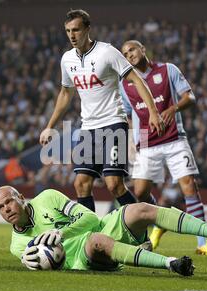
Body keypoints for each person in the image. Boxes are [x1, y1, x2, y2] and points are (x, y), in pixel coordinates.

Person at [39, 9, 165, 214]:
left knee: (114, 184)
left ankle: (142, 228)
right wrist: (49, 126)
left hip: (114, 124)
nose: (72, 35)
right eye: (68, 30)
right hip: (88, 128)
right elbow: (65, 93)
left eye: (76, 30)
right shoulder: (67, 60)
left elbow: (136, 79)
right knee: (81, 183)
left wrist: (153, 111)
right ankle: (89, 234)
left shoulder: (107, 52)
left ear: (88, 29)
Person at [0, 186, 207, 274]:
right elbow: (53, 264)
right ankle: (171, 263)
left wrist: (62, 233)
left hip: (101, 226)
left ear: (21, 198)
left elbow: (89, 217)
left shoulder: (47, 197)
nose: (6, 208)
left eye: (9, 201)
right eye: (1, 207)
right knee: (97, 241)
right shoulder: (17, 246)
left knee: (141, 209)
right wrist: (35, 263)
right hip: (82, 256)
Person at [120, 40, 207, 256]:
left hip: (175, 138)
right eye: (125, 53)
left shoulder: (168, 70)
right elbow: (128, 115)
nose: (129, 55)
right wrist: (132, 141)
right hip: (147, 142)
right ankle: (161, 222)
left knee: (188, 186)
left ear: (143, 50)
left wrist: (172, 109)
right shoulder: (125, 84)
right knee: (140, 192)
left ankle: (202, 243)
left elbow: (190, 97)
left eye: (132, 49)